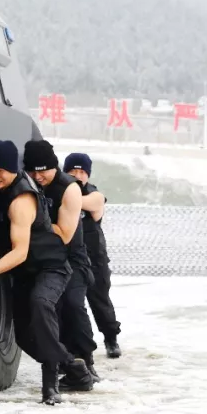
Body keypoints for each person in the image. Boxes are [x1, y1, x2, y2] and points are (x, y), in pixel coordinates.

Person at [0, 139, 94, 405]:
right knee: (23, 337)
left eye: (0, 170)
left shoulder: (22, 199)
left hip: (51, 266)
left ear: (13, 170)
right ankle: (74, 368)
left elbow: (20, 251)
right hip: (24, 272)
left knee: (41, 306)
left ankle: (50, 387)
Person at [23, 140, 99, 390]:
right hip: (45, 258)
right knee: (51, 312)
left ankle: (87, 361)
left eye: (42, 170)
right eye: (32, 171)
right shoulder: (29, 182)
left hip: (72, 258)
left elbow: (65, 233)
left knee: (74, 306)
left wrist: (25, 225)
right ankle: (64, 365)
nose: (37, 176)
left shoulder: (68, 188)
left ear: (54, 167)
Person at [63, 152, 122, 358]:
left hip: (95, 258)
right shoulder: (60, 191)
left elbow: (94, 204)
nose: (78, 176)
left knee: (100, 300)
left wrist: (65, 197)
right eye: (73, 171)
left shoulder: (94, 194)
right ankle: (75, 344)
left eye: (82, 172)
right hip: (71, 259)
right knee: (72, 303)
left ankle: (111, 338)